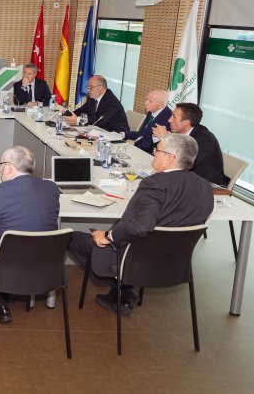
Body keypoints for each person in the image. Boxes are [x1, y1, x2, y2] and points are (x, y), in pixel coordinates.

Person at [67, 133, 214, 315]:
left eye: (157, 150)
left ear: (170, 158)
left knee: (69, 238)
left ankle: (120, 287)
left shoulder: (154, 183)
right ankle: (123, 290)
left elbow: (141, 226)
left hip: (135, 260)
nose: (154, 153)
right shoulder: (205, 186)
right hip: (175, 263)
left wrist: (108, 236)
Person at [0, 146, 60, 323]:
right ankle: (9, 291)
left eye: (0, 165)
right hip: (43, 262)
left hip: (4, 264)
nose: (0, 169)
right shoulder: (51, 189)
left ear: (8, 167)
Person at [152, 102, 228, 185]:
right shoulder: (178, 131)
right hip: (185, 178)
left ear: (186, 122)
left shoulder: (204, 139)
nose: (169, 120)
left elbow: (183, 165)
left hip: (207, 184)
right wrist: (158, 139)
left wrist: (167, 141)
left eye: (174, 117)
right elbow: (156, 152)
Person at [64, 75, 129, 133]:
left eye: (90, 88)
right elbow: (82, 110)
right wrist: (68, 114)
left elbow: (99, 121)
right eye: (87, 88)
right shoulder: (93, 97)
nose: (88, 91)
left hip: (116, 135)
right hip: (99, 131)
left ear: (100, 88)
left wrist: (78, 119)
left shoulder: (112, 102)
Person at [124, 89, 171, 154]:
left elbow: (154, 144)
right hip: (141, 148)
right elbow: (142, 134)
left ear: (160, 105)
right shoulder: (151, 111)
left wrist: (135, 143)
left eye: (150, 101)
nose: (145, 103)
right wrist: (123, 134)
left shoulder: (168, 119)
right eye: (146, 99)